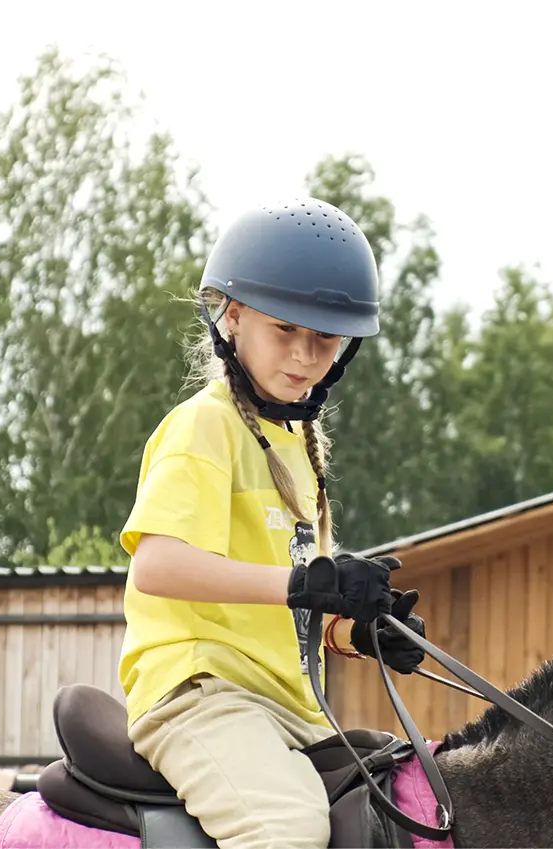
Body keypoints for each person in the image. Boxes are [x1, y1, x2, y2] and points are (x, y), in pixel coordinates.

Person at [116, 198, 429, 849]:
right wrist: (305, 581)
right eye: (286, 330)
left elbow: (295, 608)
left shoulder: (302, 444)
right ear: (232, 317)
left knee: (413, 791)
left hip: (291, 708)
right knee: (285, 829)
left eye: (325, 339)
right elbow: (157, 565)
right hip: (200, 694)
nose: (305, 355)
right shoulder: (205, 425)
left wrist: (358, 632)